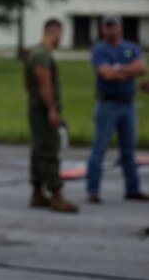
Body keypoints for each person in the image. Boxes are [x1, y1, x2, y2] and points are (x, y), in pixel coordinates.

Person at [86, 15, 148, 203]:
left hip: (128, 104)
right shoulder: (100, 50)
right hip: (108, 104)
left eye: (113, 26)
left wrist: (119, 69)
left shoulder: (130, 47)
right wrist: (127, 70)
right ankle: (93, 189)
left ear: (119, 27)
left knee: (129, 150)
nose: (110, 30)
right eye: (107, 27)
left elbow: (141, 68)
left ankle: (132, 189)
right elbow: (106, 74)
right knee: (100, 147)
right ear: (103, 29)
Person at [24, 19, 78, 212]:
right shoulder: (42, 54)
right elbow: (43, 83)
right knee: (49, 151)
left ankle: (37, 193)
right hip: (43, 110)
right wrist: (52, 109)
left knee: (39, 150)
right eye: (60, 33)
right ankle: (56, 194)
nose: (61, 38)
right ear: (54, 31)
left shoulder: (37, 52)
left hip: (39, 109)